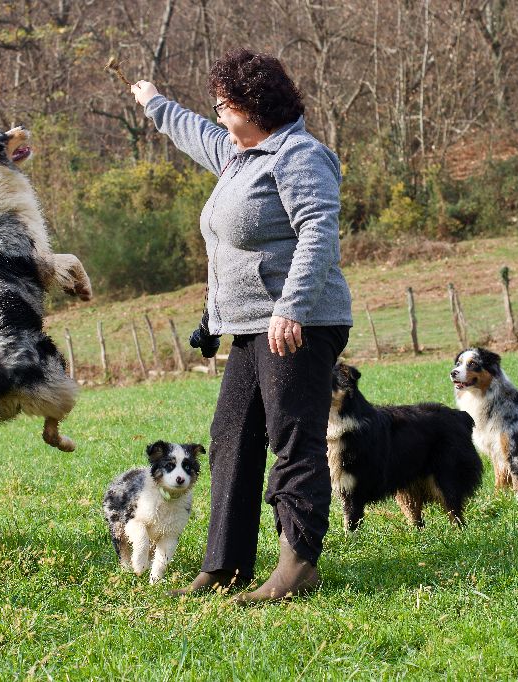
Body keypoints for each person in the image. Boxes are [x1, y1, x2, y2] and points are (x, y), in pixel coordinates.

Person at [130, 49, 352, 603]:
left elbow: (318, 232)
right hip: (251, 326)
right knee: (231, 440)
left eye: (225, 105)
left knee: (293, 439)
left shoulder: (299, 155)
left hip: (297, 323)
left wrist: (292, 306)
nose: (220, 114)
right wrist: (155, 103)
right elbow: (196, 132)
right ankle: (226, 565)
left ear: (252, 106)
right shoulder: (240, 155)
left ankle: (297, 565)